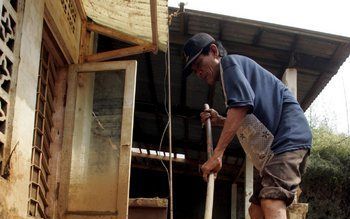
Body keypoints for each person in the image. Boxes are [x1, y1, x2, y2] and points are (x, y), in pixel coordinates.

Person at [182, 33, 312, 219]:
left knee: (271, 200)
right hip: (282, 145)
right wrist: (220, 120)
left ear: (213, 51)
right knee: (256, 211)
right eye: (194, 70)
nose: (199, 72)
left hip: (288, 138)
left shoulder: (229, 64)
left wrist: (218, 154)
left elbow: (241, 106)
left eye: (199, 64)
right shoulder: (234, 74)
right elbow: (248, 115)